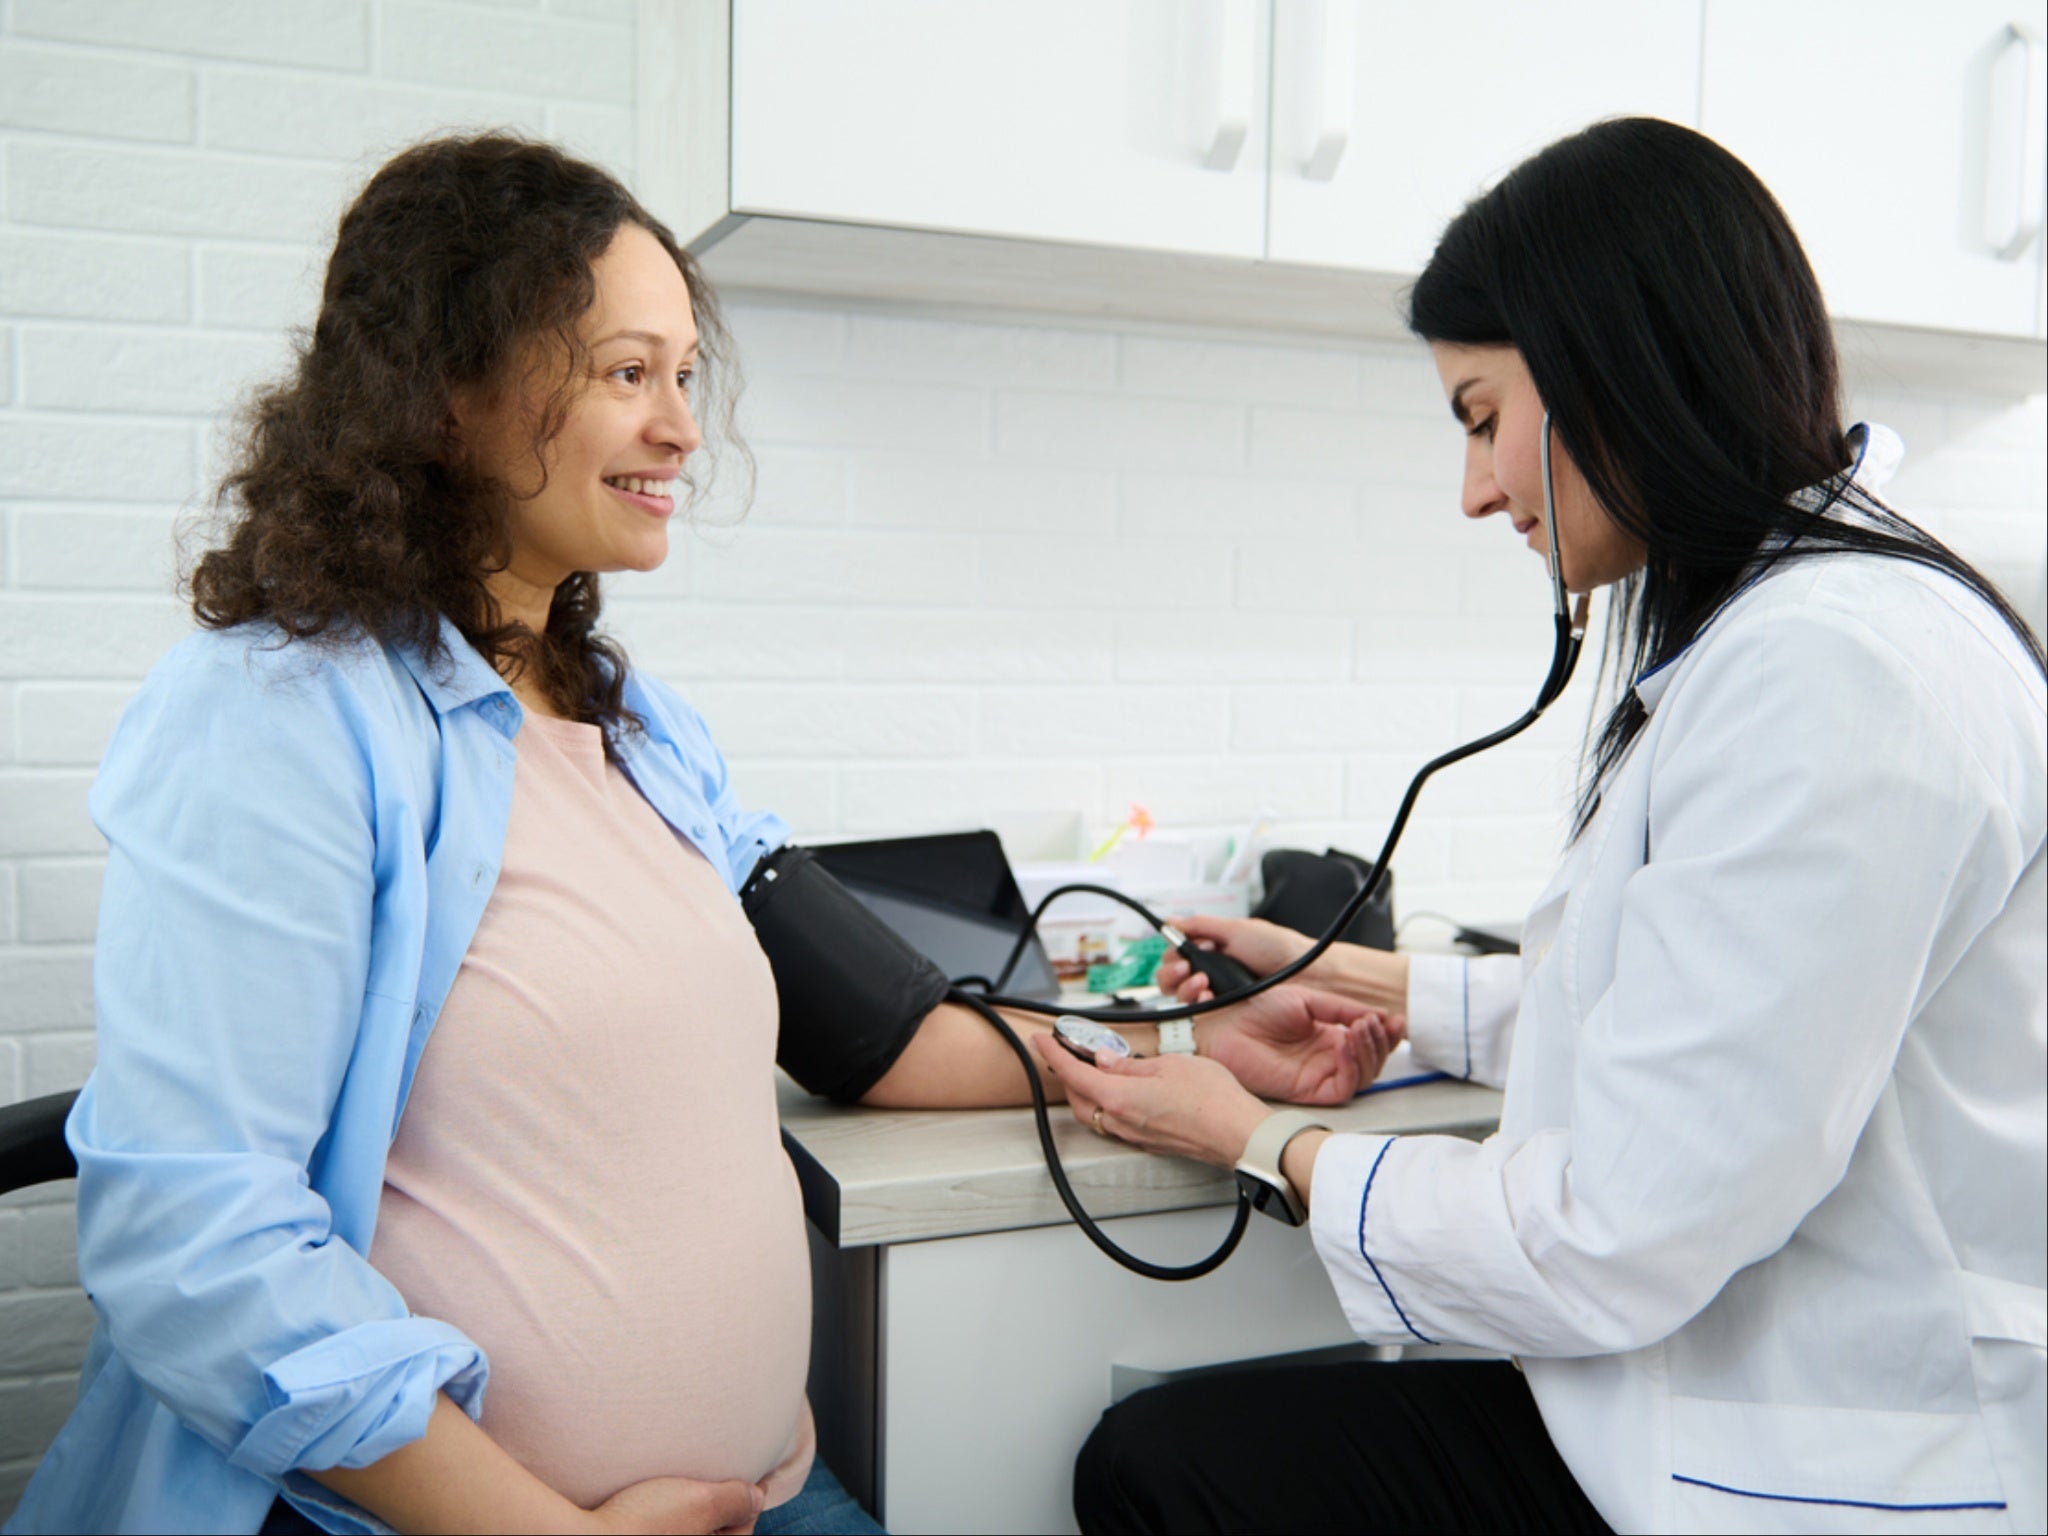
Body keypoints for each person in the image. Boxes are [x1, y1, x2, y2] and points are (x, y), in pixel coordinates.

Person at [4, 135, 1403, 1536]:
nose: (681, 426)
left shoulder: (641, 730)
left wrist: (1187, 1048)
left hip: (770, 1494)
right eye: (627, 373)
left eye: (685, 375)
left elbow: (880, 1033)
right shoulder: (279, 714)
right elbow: (196, 1235)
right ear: (444, 391)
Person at [1037, 117, 2047, 1535]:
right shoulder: (1799, 627)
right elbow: (1698, 1013)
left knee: (1164, 1465)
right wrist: (1373, 988)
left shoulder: (1835, 675)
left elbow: (1615, 1234)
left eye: (1479, 417)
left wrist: (1258, 1139)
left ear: (1608, 369)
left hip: (1832, 1467)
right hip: (1713, 1389)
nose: (1474, 490)